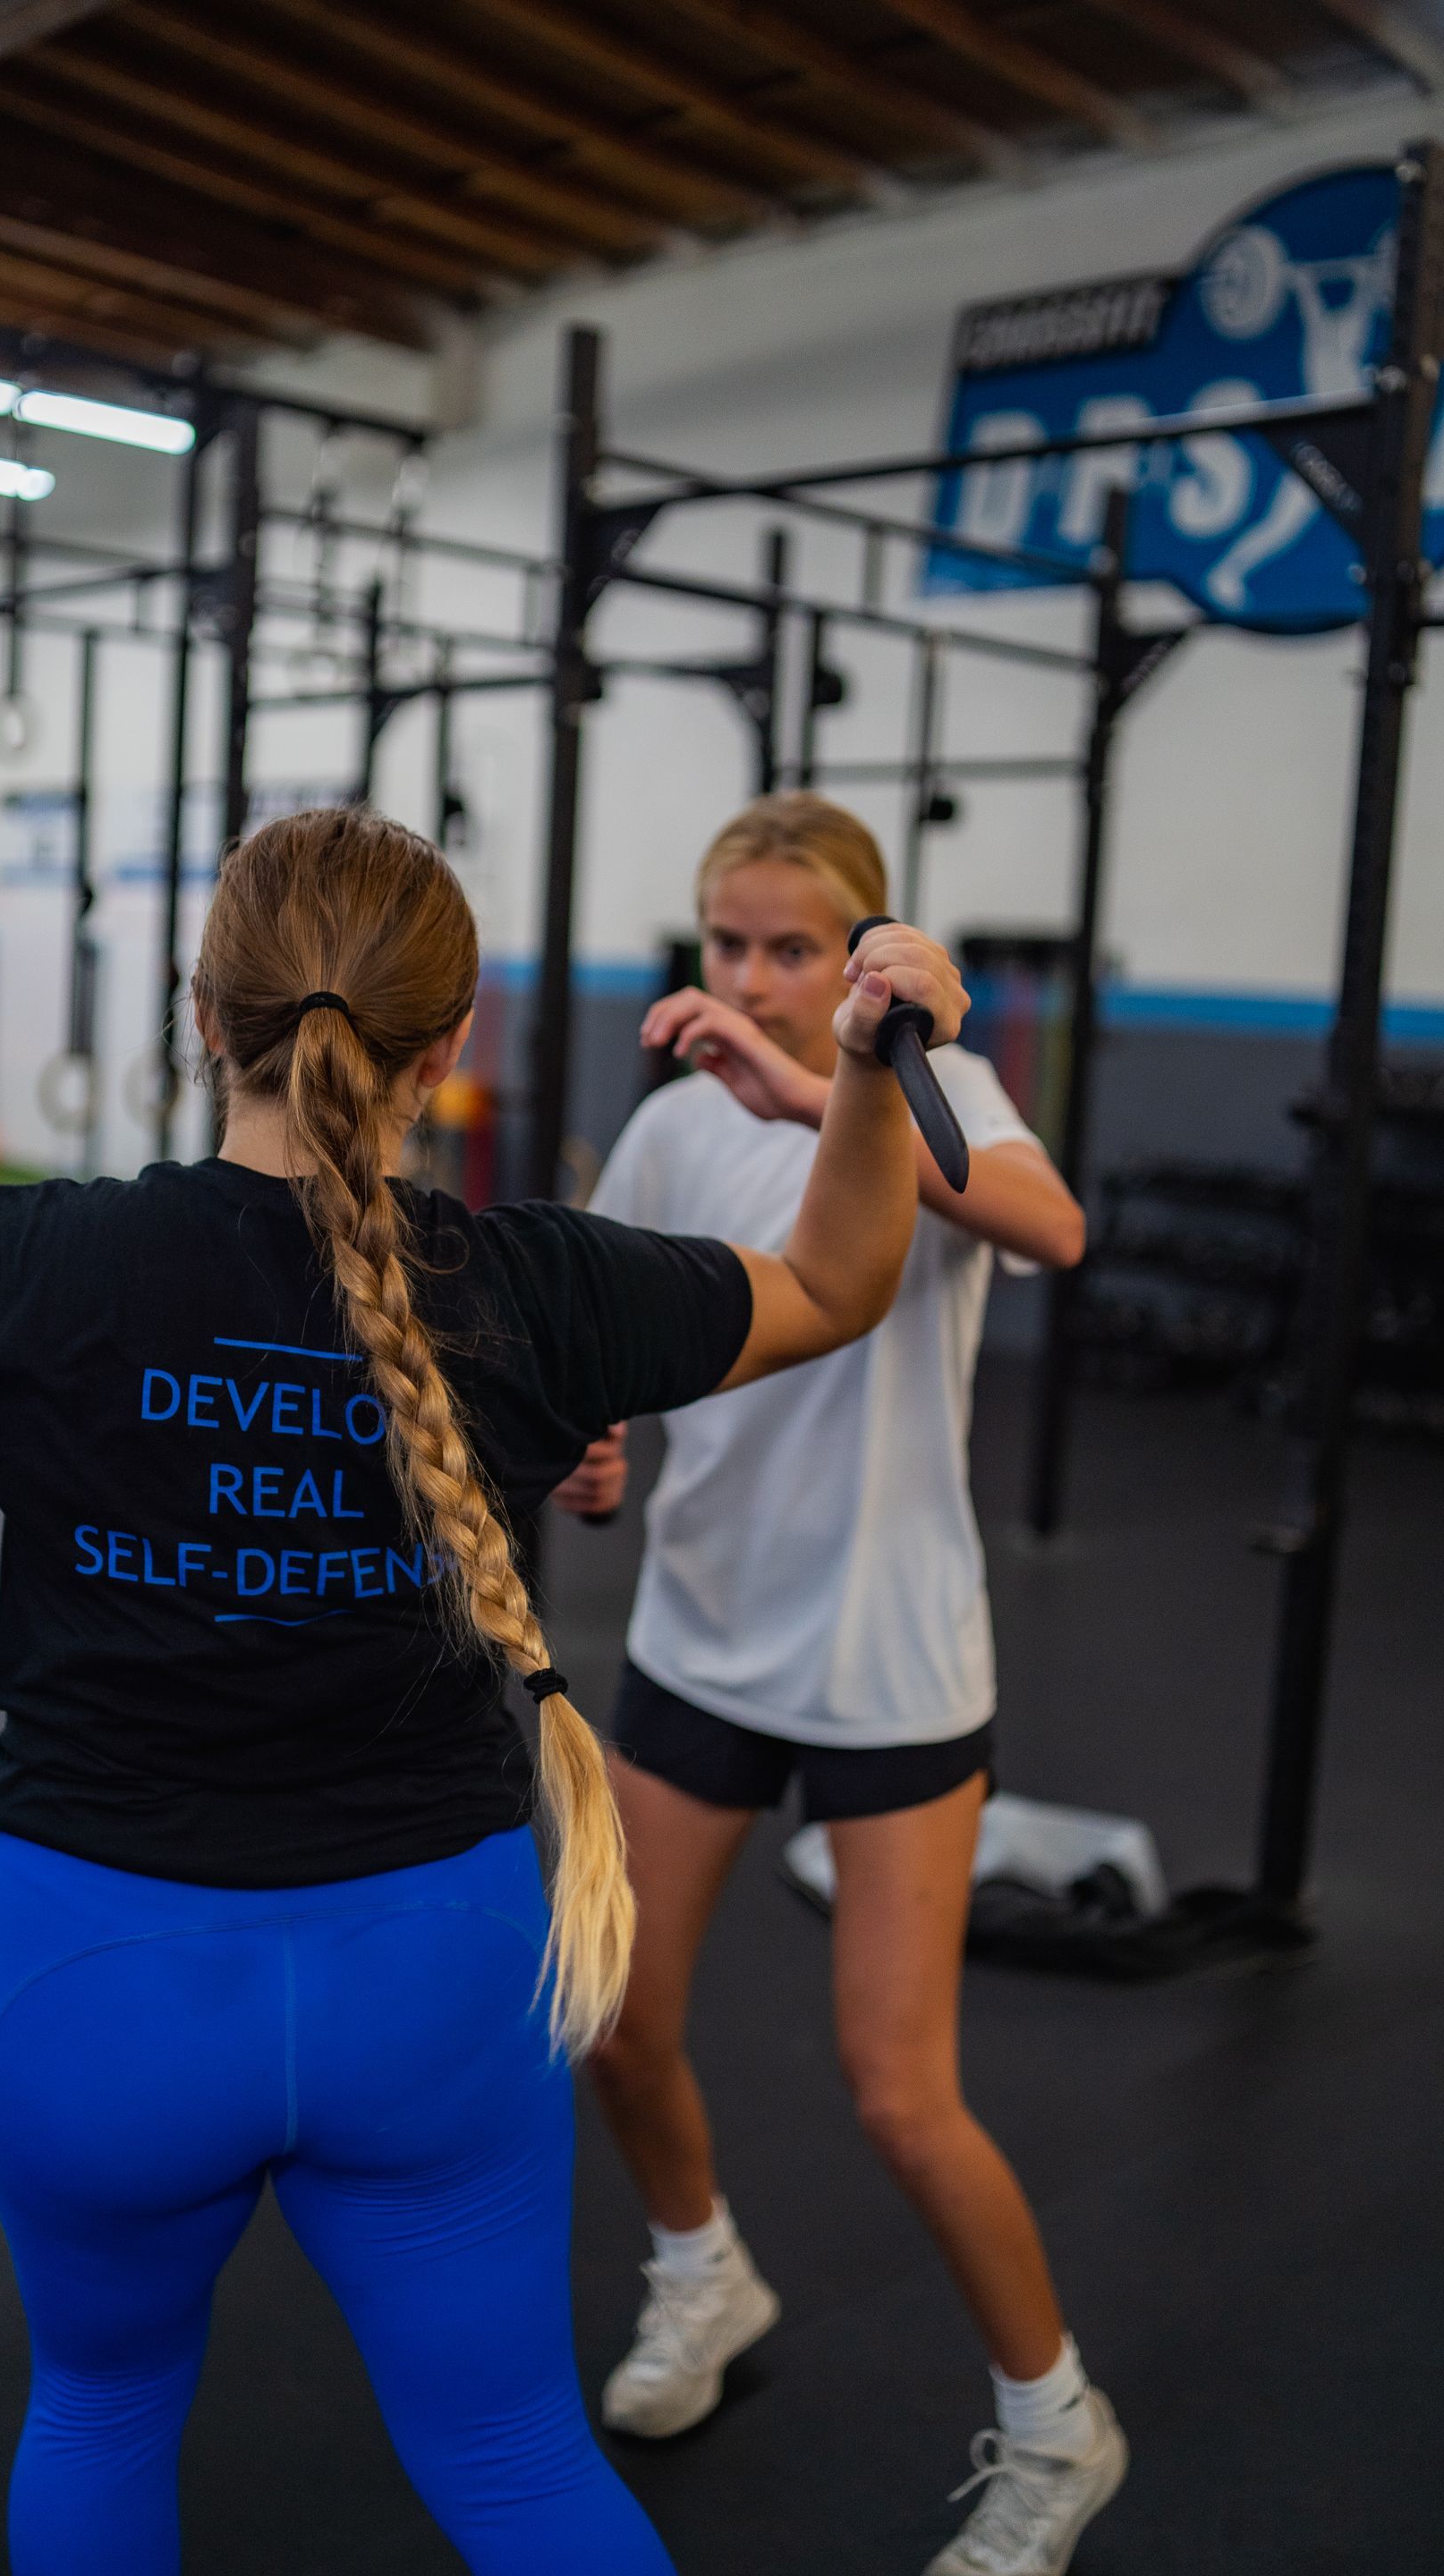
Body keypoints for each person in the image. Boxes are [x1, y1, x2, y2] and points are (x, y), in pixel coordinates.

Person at [0, 804, 965, 2576]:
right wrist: (868, 1067)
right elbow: (849, 1279)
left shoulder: (27, 1261)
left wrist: (44, 1413)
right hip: (439, 1982)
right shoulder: (539, 1288)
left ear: (203, 1015)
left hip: (100, 1984)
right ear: (453, 1041)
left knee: (97, 2417)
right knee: (513, 2457)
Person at [561, 792, 1125, 2576]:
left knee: (902, 2094)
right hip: (699, 1641)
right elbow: (605, 1314)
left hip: (887, 1670)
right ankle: (699, 2273)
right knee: (616, 2022)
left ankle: (1060, 2428)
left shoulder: (927, 1100)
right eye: (727, 944)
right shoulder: (661, 1129)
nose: (751, 976)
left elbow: (1054, 1231)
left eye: (792, 948)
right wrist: (590, 1436)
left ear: (862, 952)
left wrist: (833, 1086)